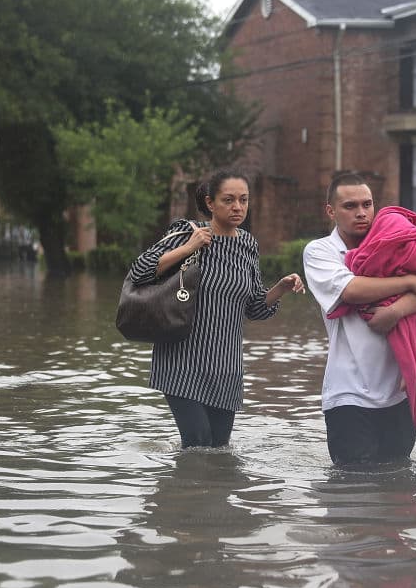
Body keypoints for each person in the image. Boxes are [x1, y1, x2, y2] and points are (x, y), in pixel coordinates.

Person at [128, 169, 305, 449]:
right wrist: (189, 247)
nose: (238, 207)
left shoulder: (248, 245)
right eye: (229, 200)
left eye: (243, 200)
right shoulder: (187, 233)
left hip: (225, 367)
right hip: (182, 362)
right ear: (210, 203)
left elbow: (254, 308)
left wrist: (280, 288)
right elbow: (139, 272)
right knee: (198, 444)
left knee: (219, 450)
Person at [303, 172, 416, 466]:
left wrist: (396, 310)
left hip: (401, 391)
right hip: (349, 394)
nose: (361, 213)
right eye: (350, 206)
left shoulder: (393, 246)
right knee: (352, 486)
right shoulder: (320, 251)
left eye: (367, 204)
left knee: (399, 482)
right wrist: (410, 282)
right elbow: (352, 290)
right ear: (331, 211)